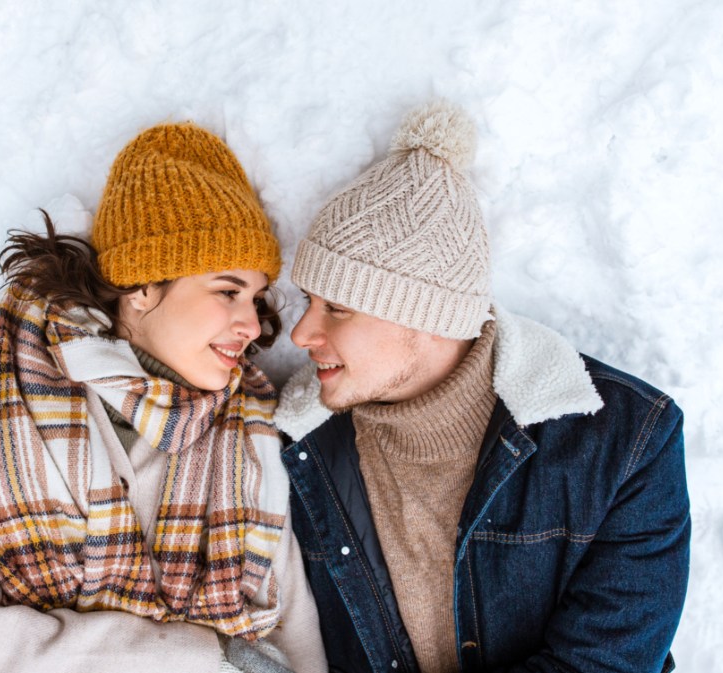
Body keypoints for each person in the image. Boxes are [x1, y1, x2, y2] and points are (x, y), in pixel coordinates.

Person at [0, 121, 326, 673]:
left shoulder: (250, 435)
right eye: (227, 291)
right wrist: (204, 659)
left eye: (256, 299)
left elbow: (293, 629)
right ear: (142, 286)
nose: (252, 325)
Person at [273, 101, 690, 673]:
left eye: (337, 309)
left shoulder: (624, 442)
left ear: (422, 314)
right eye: (308, 303)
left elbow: (604, 662)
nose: (302, 333)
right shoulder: (292, 448)